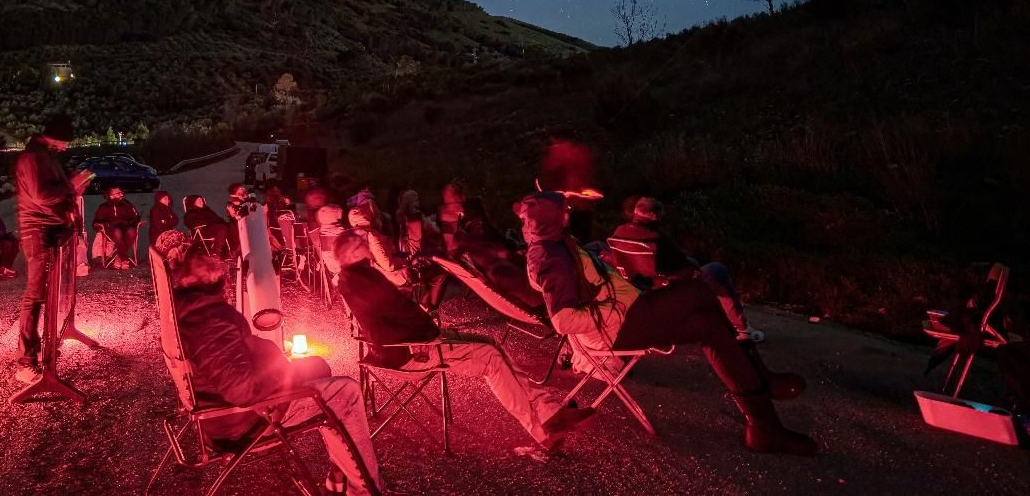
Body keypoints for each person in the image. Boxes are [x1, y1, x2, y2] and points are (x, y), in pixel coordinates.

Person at [515, 191, 816, 455]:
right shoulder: (549, 256)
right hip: (621, 324)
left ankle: (763, 426)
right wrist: (612, 308)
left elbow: (586, 282)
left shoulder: (555, 243)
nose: (568, 213)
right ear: (551, 218)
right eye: (563, 209)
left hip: (627, 313)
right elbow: (563, 320)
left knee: (708, 324)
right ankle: (762, 382)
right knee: (700, 290)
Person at [158, 231, 383, 494]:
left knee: (318, 366)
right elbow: (241, 390)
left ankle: (339, 476)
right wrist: (281, 371)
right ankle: (365, 490)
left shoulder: (190, 309)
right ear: (215, 281)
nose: (228, 284)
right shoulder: (211, 319)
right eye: (223, 279)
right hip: (244, 419)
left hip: (227, 410)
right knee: (346, 393)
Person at [335, 232, 594, 451]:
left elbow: (394, 310)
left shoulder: (356, 276)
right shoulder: (360, 278)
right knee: (490, 357)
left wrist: (421, 316)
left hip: (413, 342)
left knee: (491, 343)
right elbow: (397, 310)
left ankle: (550, 415)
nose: (365, 246)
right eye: (359, 245)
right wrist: (425, 323)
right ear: (349, 255)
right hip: (412, 352)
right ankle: (544, 428)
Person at [612, 196, 763, 342]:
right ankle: (742, 329)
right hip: (669, 289)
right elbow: (687, 270)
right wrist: (693, 269)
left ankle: (713, 316)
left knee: (694, 262)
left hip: (642, 286)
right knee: (718, 269)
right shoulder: (657, 239)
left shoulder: (619, 232)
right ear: (655, 216)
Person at [14, 114, 93, 383]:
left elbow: (56, 191)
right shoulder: (32, 159)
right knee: (35, 294)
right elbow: (42, 196)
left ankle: (47, 343)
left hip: (51, 229)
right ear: (54, 137)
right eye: (65, 142)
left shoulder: (46, 157)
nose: (66, 147)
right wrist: (71, 185)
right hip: (38, 231)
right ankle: (26, 361)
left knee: (46, 292)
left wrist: (74, 189)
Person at [347, 204, 407, 287]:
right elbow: (388, 265)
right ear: (367, 217)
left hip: (370, 280)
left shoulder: (353, 236)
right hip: (387, 279)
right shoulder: (372, 236)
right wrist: (404, 261)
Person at [94, 186, 142, 270]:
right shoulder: (104, 207)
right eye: (118, 193)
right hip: (112, 229)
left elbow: (136, 217)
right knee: (117, 232)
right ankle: (124, 259)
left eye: (121, 192)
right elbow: (97, 221)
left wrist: (129, 223)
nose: (121, 194)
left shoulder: (126, 204)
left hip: (126, 227)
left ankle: (119, 257)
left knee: (132, 232)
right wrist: (103, 225)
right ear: (111, 196)